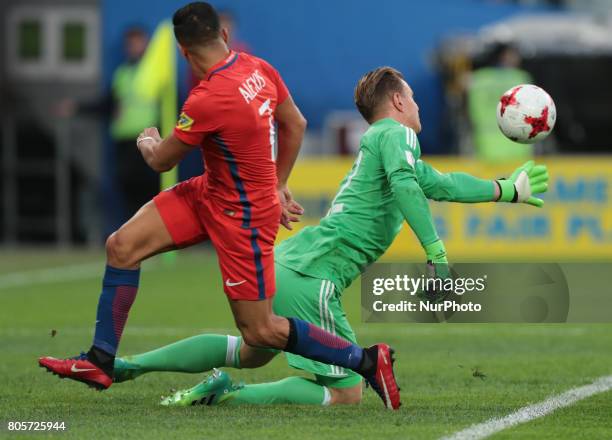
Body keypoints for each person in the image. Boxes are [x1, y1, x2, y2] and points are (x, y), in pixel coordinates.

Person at [107, 67, 549, 407]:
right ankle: (226, 396)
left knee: (253, 348)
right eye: (412, 98)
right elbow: (407, 186)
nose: (417, 106)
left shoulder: (383, 138)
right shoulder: (396, 134)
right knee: (347, 393)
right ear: (397, 100)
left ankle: (129, 365)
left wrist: (507, 190)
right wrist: (435, 252)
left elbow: (441, 184)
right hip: (313, 276)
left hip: (288, 261)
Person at [39, 2, 400, 410]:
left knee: (260, 333)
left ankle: (366, 360)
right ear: (224, 36)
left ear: (182, 50)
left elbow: (161, 160)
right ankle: (100, 360)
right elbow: (295, 124)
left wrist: (146, 140)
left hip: (243, 218)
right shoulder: (259, 68)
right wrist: (279, 184)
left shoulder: (207, 98)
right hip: (210, 193)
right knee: (122, 246)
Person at [56, 26, 160, 220]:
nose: (134, 47)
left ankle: (152, 231)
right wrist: (77, 108)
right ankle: (135, 233)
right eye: (130, 43)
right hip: (124, 139)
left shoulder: (156, 73)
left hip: (148, 139)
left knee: (147, 187)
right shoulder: (122, 73)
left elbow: (169, 105)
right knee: (126, 186)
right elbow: (108, 104)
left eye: (138, 42)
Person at [467, 42, 534, 162]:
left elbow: (470, 112)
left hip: (486, 150)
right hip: (519, 150)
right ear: (504, 55)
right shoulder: (521, 79)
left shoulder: (478, 79)